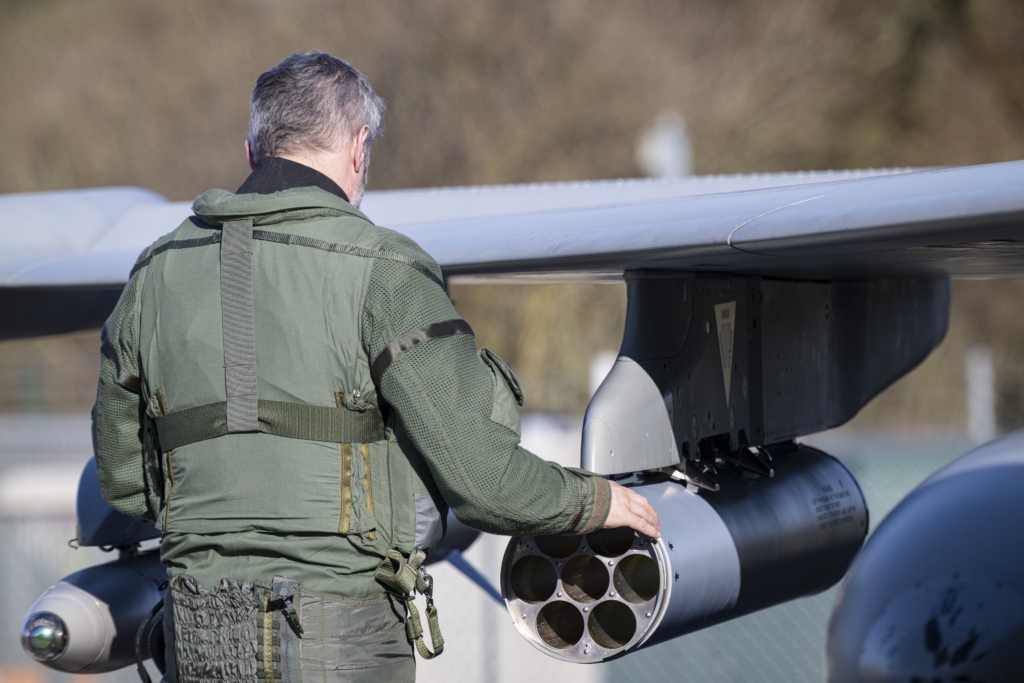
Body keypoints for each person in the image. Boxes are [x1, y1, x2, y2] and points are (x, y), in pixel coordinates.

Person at [92, 50, 659, 683]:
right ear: (360, 148)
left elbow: (124, 479)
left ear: (253, 150)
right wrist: (594, 501)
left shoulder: (153, 274)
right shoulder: (385, 268)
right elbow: (483, 482)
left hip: (197, 636)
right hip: (339, 638)